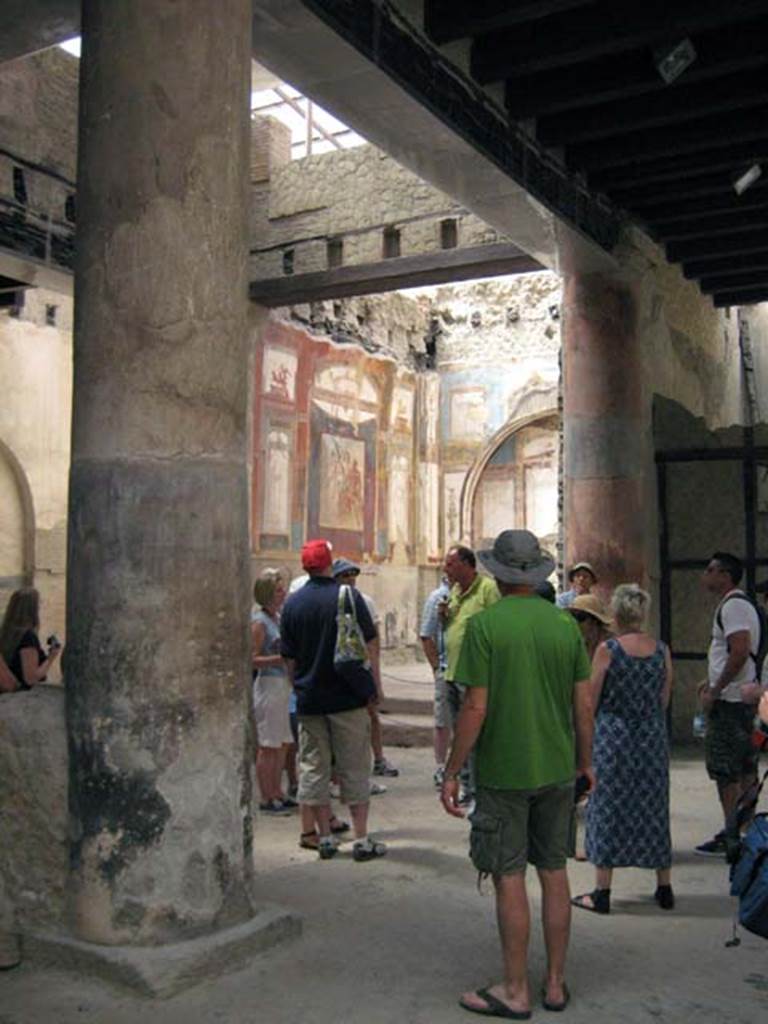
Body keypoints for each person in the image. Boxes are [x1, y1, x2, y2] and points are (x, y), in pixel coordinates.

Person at [441, 529, 593, 1019]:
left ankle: (514, 989)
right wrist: (585, 763)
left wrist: (452, 770)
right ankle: (553, 983)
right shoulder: (565, 626)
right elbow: (583, 704)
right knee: (554, 872)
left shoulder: (485, 627)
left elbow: (475, 706)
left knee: (509, 877)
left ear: (498, 574)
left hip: (505, 772)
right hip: (557, 768)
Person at [281, 539, 386, 863]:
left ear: (305, 567)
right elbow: (370, 643)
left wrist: (299, 687)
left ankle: (324, 838)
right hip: (347, 697)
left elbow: (289, 659)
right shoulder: (349, 597)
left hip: (310, 700)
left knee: (314, 768)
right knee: (354, 766)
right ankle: (361, 838)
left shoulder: (292, 604)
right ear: (330, 565)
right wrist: (373, 687)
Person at [572, 584, 674, 915]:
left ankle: (602, 891)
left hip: (614, 738)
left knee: (608, 806)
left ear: (615, 614)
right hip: (651, 738)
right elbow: (664, 699)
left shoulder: (609, 650)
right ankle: (664, 885)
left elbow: (592, 698)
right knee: (654, 806)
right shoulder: (662, 650)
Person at [696, 552, 763, 857]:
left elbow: (739, 650)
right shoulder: (740, 605)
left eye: (710, 570)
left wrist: (717, 688)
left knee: (727, 771)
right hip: (741, 698)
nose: (705, 575)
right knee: (745, 766)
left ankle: (734, 833)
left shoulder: (733, 605)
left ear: (725, 575)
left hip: (732, 701)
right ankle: (744, 830)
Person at [332, 557, 399, 782]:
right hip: (340, 668)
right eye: (345, 576)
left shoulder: (364, 601)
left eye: (353, 576)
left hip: (361, 667)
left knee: (371, 716)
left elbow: (373, 639)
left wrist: (376, 678)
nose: (350, 580)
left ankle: (378, 758)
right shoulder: (331, 600)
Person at [443, 545, 500, 804]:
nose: (446, 569)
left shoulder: (488, 590)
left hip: (476, 674)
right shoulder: (454, 591)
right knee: (459, 732)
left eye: (451, 564)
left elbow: (496, 627)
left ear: (467, 565)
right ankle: (465, 783)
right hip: (453, 672)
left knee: (475, 732)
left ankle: (479, 786)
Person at [251, 570, 295, 816]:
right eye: (278, 590)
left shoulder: (276, 618)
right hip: (268, 684)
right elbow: (252, 659)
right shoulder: (259, 622)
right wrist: (280, 658)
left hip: (282, 686)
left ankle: (277, 790)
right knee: (268, 745)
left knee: (283, 743)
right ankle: (266, 796)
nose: (283, 594)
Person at [420, 575, 451, 786]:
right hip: (446, 668)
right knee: (442, 722)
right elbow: (426, 635)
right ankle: (441, 766)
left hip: (468, 669)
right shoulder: (438, 597)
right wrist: (436, 668)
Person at [0, 588, 61, 690]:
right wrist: (51, 657)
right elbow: (31, 678)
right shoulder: (28, 637)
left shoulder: (5, 633)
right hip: (23, 696)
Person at [569, 593, 613, 661]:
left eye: (580, 616)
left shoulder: (612, 645)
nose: (575, 621)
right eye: (572, 616)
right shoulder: (574, 642)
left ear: (594, 621)